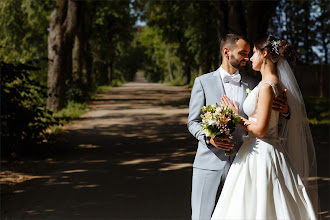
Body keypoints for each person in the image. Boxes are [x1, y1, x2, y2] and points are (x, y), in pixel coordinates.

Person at [211, 36, 317, 219]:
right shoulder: (268, 84)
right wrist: (285, 111)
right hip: (259, 149)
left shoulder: (268, 86)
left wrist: (235, 117)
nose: (251, 58)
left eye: (253, 53)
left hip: (262, 152)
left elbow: (261, 130)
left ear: (264, 54)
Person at [187, 34, 290, 219]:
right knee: (201, 216)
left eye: (249, 53)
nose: (246, 58)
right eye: (243, 53)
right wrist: (209, 138)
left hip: (243, 162)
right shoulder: (202, 82)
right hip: (207, 162)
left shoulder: (254, 84)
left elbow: (267, 118)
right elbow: (192, 122)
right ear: (226, 52)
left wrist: (285, 111)